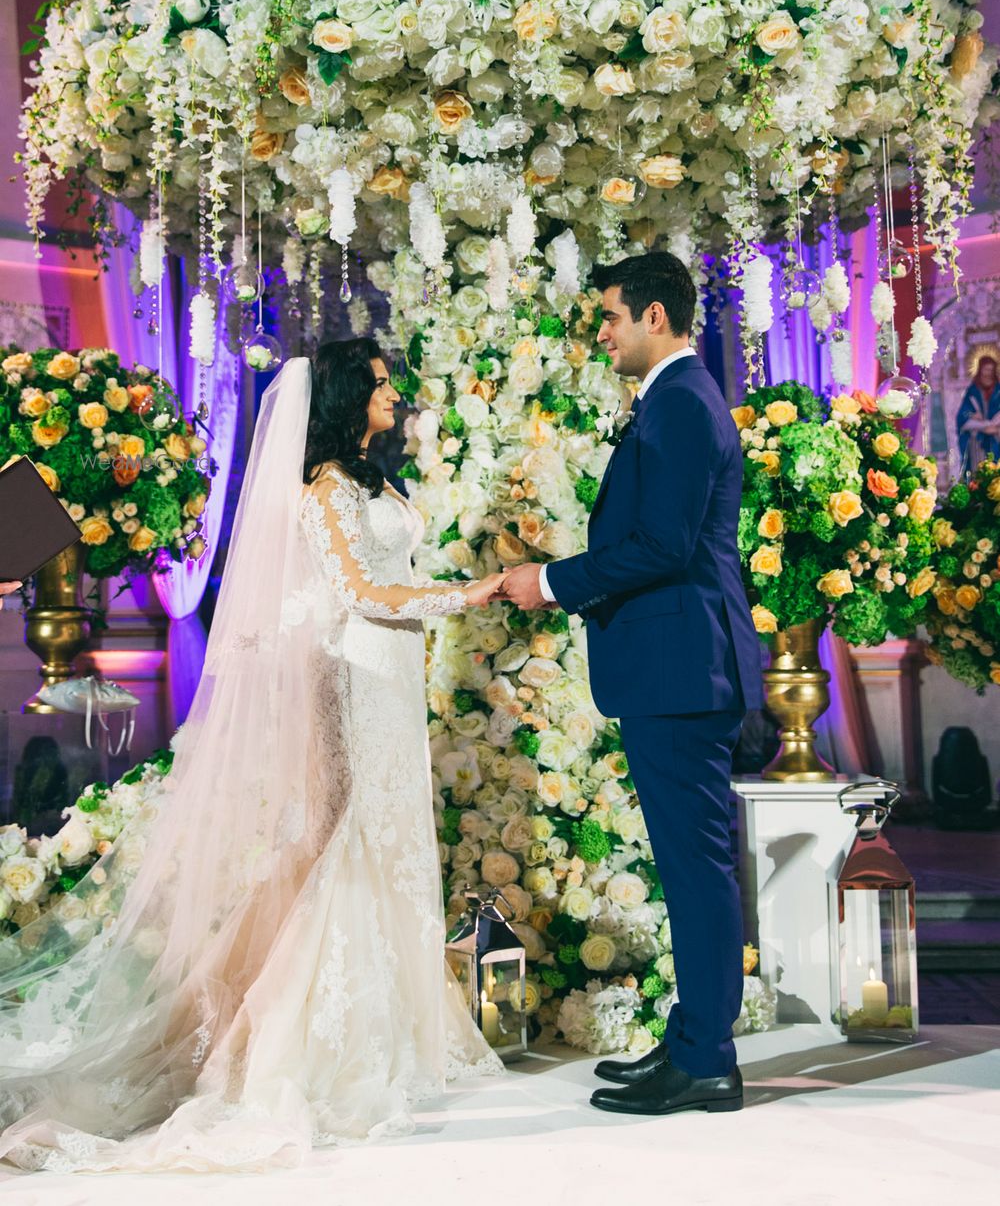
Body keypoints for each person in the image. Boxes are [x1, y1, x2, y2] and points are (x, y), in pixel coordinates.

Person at [0, 339, 504, 1173]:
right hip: (354, 672)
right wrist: (469, 593)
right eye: (378, 386)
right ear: (346, 398)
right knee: (348, 842)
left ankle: (402, 1027)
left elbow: (391, 572)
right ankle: (313, 1043)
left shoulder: (374, 481)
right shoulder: (323, 492)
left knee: (394, 836)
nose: (391, 396)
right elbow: (359, 594)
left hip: (394, 677)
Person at [501, 251, 762, 1118]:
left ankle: (708, 1059)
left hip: (684, 668)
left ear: (656, 316)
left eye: (611, 316)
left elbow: (663, 546)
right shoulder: (674, 402)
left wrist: (550, 581)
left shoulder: (683, 404)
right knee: (692, 866)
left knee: (697, 869)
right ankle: (694, 1042)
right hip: (675, 666)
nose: (603, 332)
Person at [956, 353, 1000, 473]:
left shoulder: (998, 390)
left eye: (991, 370)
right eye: (986, 369)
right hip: (977, 441)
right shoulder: (973, 391)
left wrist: (995, 428)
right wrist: (973, 416)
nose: (988, 373)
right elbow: (962, 416)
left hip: (997, 438)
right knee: (979, 474)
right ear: (980, 370)